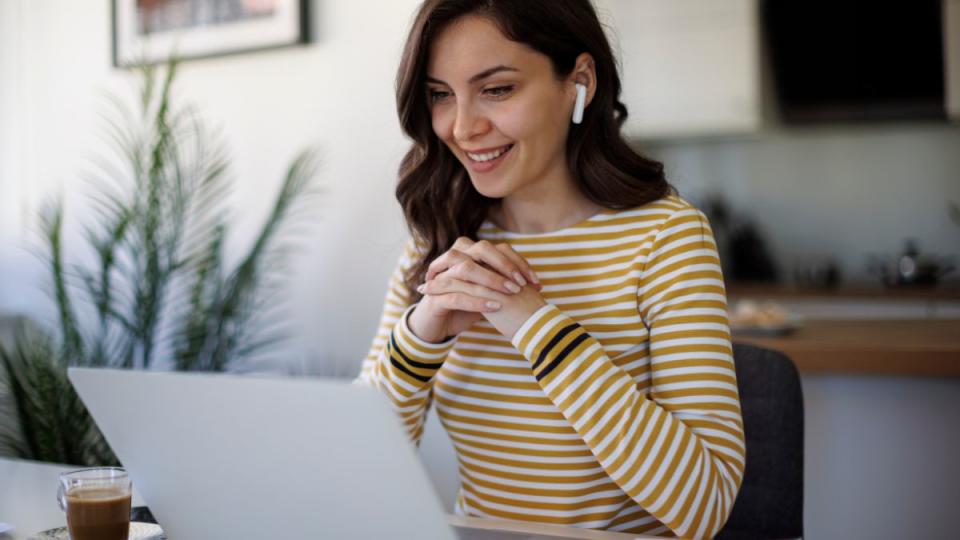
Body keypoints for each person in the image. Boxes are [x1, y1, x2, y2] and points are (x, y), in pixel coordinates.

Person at [356, 0, 745, 537]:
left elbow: (705, 505)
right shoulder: (438, 244)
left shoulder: (666, 238)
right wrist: (422, 333)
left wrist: (533, 323)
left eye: (497, 89)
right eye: (440, 95)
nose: (462, 127)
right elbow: (355, 467)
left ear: (578, 81)